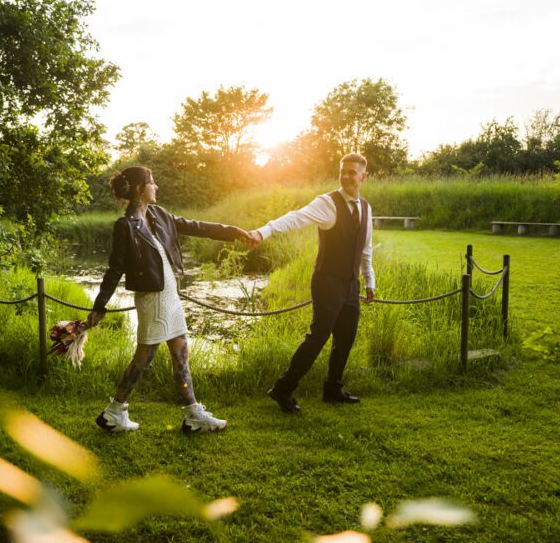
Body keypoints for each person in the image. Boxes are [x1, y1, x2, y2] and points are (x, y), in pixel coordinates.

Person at [87, 166, 255, 433]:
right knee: (144, 356)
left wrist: (234, 231)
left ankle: (191, 414)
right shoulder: (125, 226)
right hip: (152, 298)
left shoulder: (158, 214)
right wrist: (100, 305)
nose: (156, 187)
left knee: (180, 354)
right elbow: (115, 268)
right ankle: (114, 412)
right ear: (140, 189)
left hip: (170, 295)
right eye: (152, 183)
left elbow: (196, 226)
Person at [248, 153, 376, 413]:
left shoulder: (366, 207)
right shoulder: (327, 203)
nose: (347, 176)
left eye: (353, 172)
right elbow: (295, 217)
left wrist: (369, 280)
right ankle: (283, 388)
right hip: (327, 281)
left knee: (346, 337)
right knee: (318, 337)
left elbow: (366, 248)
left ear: (364, 177)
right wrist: (264, 231)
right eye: (343, 171)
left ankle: (333, 389)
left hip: (351, 284)